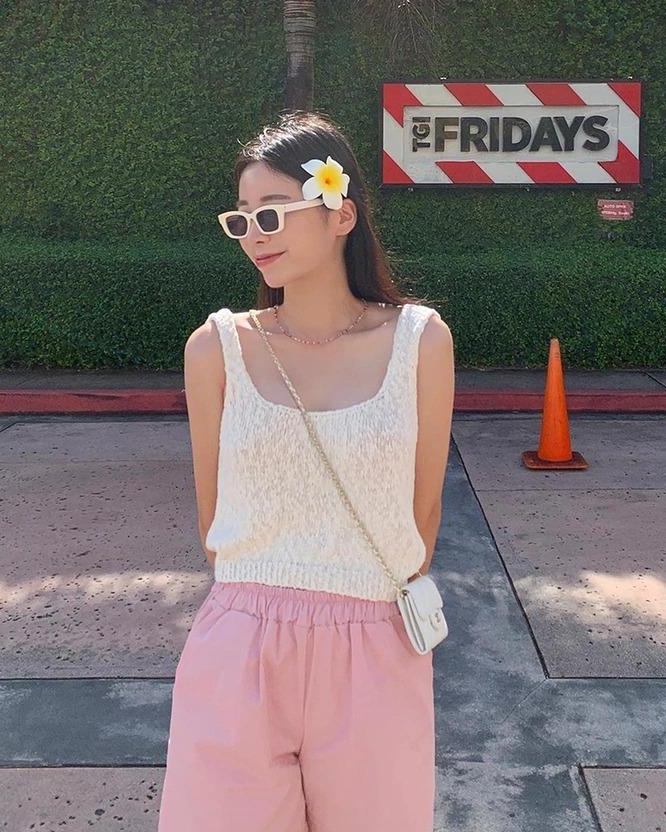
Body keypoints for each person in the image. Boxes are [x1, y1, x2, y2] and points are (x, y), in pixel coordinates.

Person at [158, 110, 455, 832]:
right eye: (242, 219)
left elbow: (423, 515)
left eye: (272, 213)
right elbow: (212, 518)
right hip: (239, 645)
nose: (254, 235)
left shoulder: (419, 340)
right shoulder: (216, 348)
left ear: (340, 213)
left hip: (375, 644)